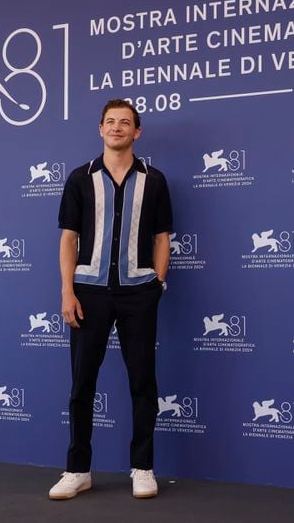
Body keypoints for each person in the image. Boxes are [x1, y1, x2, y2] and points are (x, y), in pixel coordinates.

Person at [49, 99, 172, 500]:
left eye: (125, 123)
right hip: (88, 293)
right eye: (110, 122)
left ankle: (142, 468)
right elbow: (68, 239)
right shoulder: (79, 179)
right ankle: (77, 469)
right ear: (100, 129)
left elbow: (161, 239)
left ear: (137, 133)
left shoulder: (154, 180)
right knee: (82, 384)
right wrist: (67, 291)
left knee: (143, 382)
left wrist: (158, 284)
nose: (117, 128)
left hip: (139, 293)